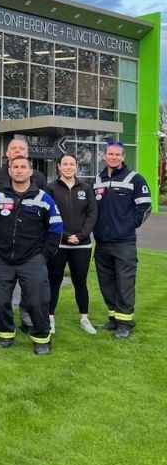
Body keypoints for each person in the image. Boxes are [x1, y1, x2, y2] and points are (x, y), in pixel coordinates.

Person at [0, 156, 62, 355]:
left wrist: (44, 256)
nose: (18, 170)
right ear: (9, 171)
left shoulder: (43, 198)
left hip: (33, 258)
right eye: (15, 167)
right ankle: (5, 334)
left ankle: (42, 337)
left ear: (30, 171)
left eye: (22, 167)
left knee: (37, 300)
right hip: (0, 257)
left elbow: (56, 227)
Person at [92, 141, 151, 338]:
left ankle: (125, 323)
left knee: (124, 283)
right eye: (110, 154)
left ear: (123, 156)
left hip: (124, 243)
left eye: (118, 154)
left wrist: (127, 226)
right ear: (104, 156)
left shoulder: (135, 179)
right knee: (106, 282)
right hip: (101, 243)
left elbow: (145, 207)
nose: (114, 157)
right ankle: (113, 319)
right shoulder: (97, 180)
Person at [46, 153, 98, 335]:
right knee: (54, 281)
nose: (68, 167)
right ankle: (50, 319)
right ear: (59, 166)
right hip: (58, 244)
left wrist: (81, 235)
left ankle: (84, 319)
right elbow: (49, 214)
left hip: (82, 245)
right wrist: (65, 235)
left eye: (72, 164)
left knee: (80, 282)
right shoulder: (50, 188)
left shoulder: (86, 187)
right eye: (65, 164)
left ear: (76, 167)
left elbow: (92, 214)